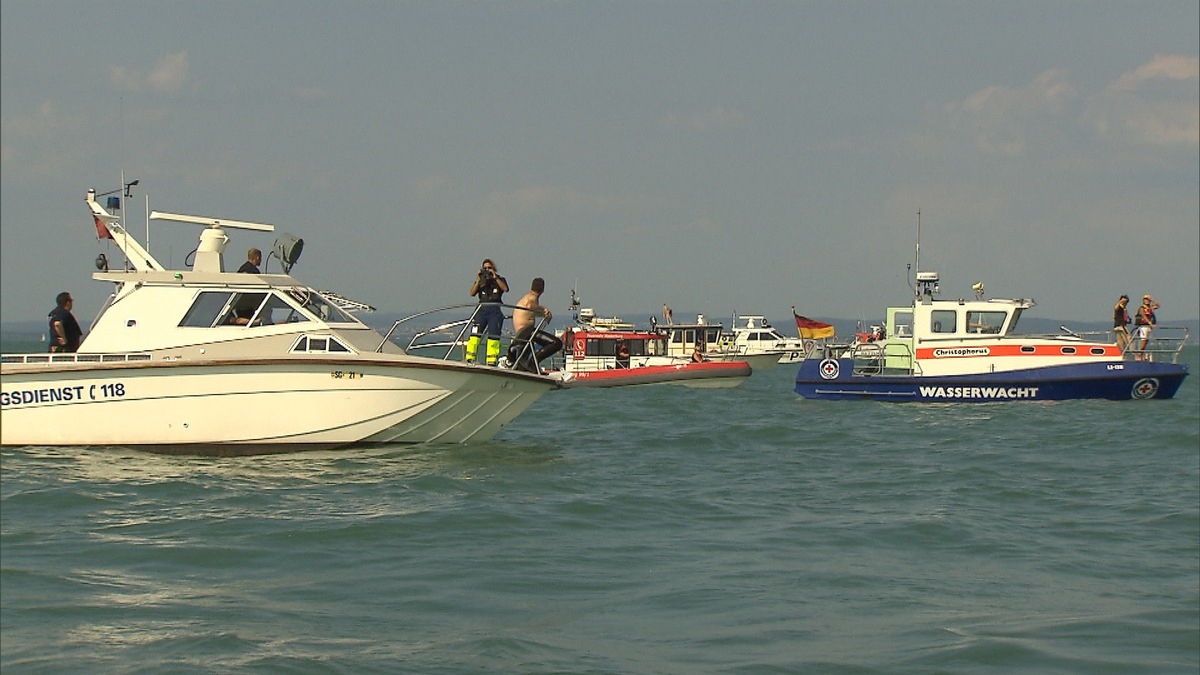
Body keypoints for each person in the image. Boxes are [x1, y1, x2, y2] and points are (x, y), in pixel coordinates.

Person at [504, 277, 562, 372]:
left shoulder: (526, 297)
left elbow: (530, 311)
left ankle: (531, 365)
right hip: (527, 331)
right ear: (543, 289)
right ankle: (533, 363)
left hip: (523, 332)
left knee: (526, 360)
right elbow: (530, 305)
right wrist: (544, 310)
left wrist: (543, 314)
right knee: (556, 343)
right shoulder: (532, 298)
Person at [466, 258, 509, 365]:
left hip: (494, 310)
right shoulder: (481, 282)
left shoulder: (500, 279)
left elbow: (505, 289)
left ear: (494, 269)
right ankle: (470, 358)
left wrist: (495, 277)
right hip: (482, 310)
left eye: (489, 268)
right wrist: (478, 279)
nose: (487, 270)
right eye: (485, 268)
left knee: (493, 336)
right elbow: (472, 293)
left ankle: (491, 360)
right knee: (475, 335)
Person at [1133, 294, 1160, 361]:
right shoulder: (1142, 308)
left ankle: (1142, 355)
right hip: (1143, 326)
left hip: (1148, 327)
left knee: (1145, 341)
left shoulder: (1150, 308)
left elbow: (1158, 305)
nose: (1147, 301)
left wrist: (1152, 299)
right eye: (1146, 299)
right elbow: (1144, 316)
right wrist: (1150, 323)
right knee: (1143, 340)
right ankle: (1140, 355)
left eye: (1148, 300)